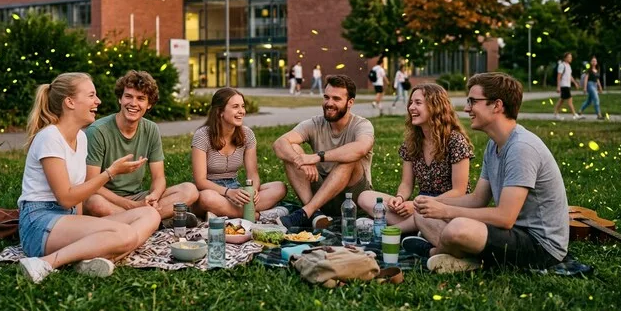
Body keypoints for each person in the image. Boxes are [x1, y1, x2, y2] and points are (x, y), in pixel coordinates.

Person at [404, 72, 569, 273]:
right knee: (423, 214)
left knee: (458, 228)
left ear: (497, 105)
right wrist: (431, 203)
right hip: (511, 232)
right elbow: (477, 199)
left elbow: (505, 217)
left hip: (540, 245)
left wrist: (446, 211)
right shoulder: (494, 145)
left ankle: (434, 252)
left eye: (473, 102)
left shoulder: (521, 148)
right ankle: (461, 257)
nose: (466, 109)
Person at [16, 73, 161, 284]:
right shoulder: (49, 137)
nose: (98, 101)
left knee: (151, 215)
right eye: (91, 95)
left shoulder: (81, 137)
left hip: (67, 220)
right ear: (70, 102)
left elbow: (77, 200)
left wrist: (84, 224)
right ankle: (44, 263)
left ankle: (89, 257)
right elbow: (66, 198)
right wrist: (110, 173)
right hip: (40, 223)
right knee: (127, 234)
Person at [83, 70, 199, 220]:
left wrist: (154, 196)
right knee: (95, 203)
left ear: (149, 104)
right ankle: (152, 220)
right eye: (128, 96)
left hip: (138, 197)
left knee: (190, 190)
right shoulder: (98, 131)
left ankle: (140, 219)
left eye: (141, 98)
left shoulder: (151, 129)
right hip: (107, 198)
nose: (133, 103)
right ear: (120, 99)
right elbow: (91, 184)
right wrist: (131, 206)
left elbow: (158, 177)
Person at [358, 83, 473, 233]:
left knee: (423, 215)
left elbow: (459, 192)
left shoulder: (455, 141)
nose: (411, 107)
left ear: (435, 107)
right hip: (419, 206)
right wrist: (399, 198)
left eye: (418, 103)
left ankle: (388, 231)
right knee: (365, 197)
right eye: (411, 103)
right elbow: (406, 184)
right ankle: (418, 229)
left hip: (448, 207)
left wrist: (419, 204)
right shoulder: (412, 142)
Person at [273, 74, 374, 229]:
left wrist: (317, 157)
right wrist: (300, 160)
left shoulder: (361, 125)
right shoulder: (315, 123)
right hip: (321, 194)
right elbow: (279, 143)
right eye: (326, 97)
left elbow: (360, 148)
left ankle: (305, 213)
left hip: (352, 198)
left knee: (350, 158)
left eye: (336, 99)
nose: (329, 103)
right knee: (293, 149)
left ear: (350, 102)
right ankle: (315, 214)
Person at [191, 88, 289, 221]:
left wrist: (253, 191)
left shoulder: (247, 134)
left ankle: (224, 213)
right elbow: (200, 181)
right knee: (206, 198)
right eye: (235, 107)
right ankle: (257, 215)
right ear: (220, 111)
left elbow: (253, 173)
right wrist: (228, 192)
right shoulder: (202, 135)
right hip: (211, 190)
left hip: (235, 188)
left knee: (279, 187)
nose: (241, 111)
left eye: (243, 106)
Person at [553, 52, 581, 120]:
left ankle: (555, 114)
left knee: (561, 101)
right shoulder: (562, 65)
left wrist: (575, 83)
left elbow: (570, 76)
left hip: (567, 85)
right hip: (564, 85)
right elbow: (558, 76)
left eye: (571, 57)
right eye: (569, 57)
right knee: (570, 100)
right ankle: (574, 115)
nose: (570, 58)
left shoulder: (568, 66)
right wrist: (558, 86)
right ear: (565, 58)